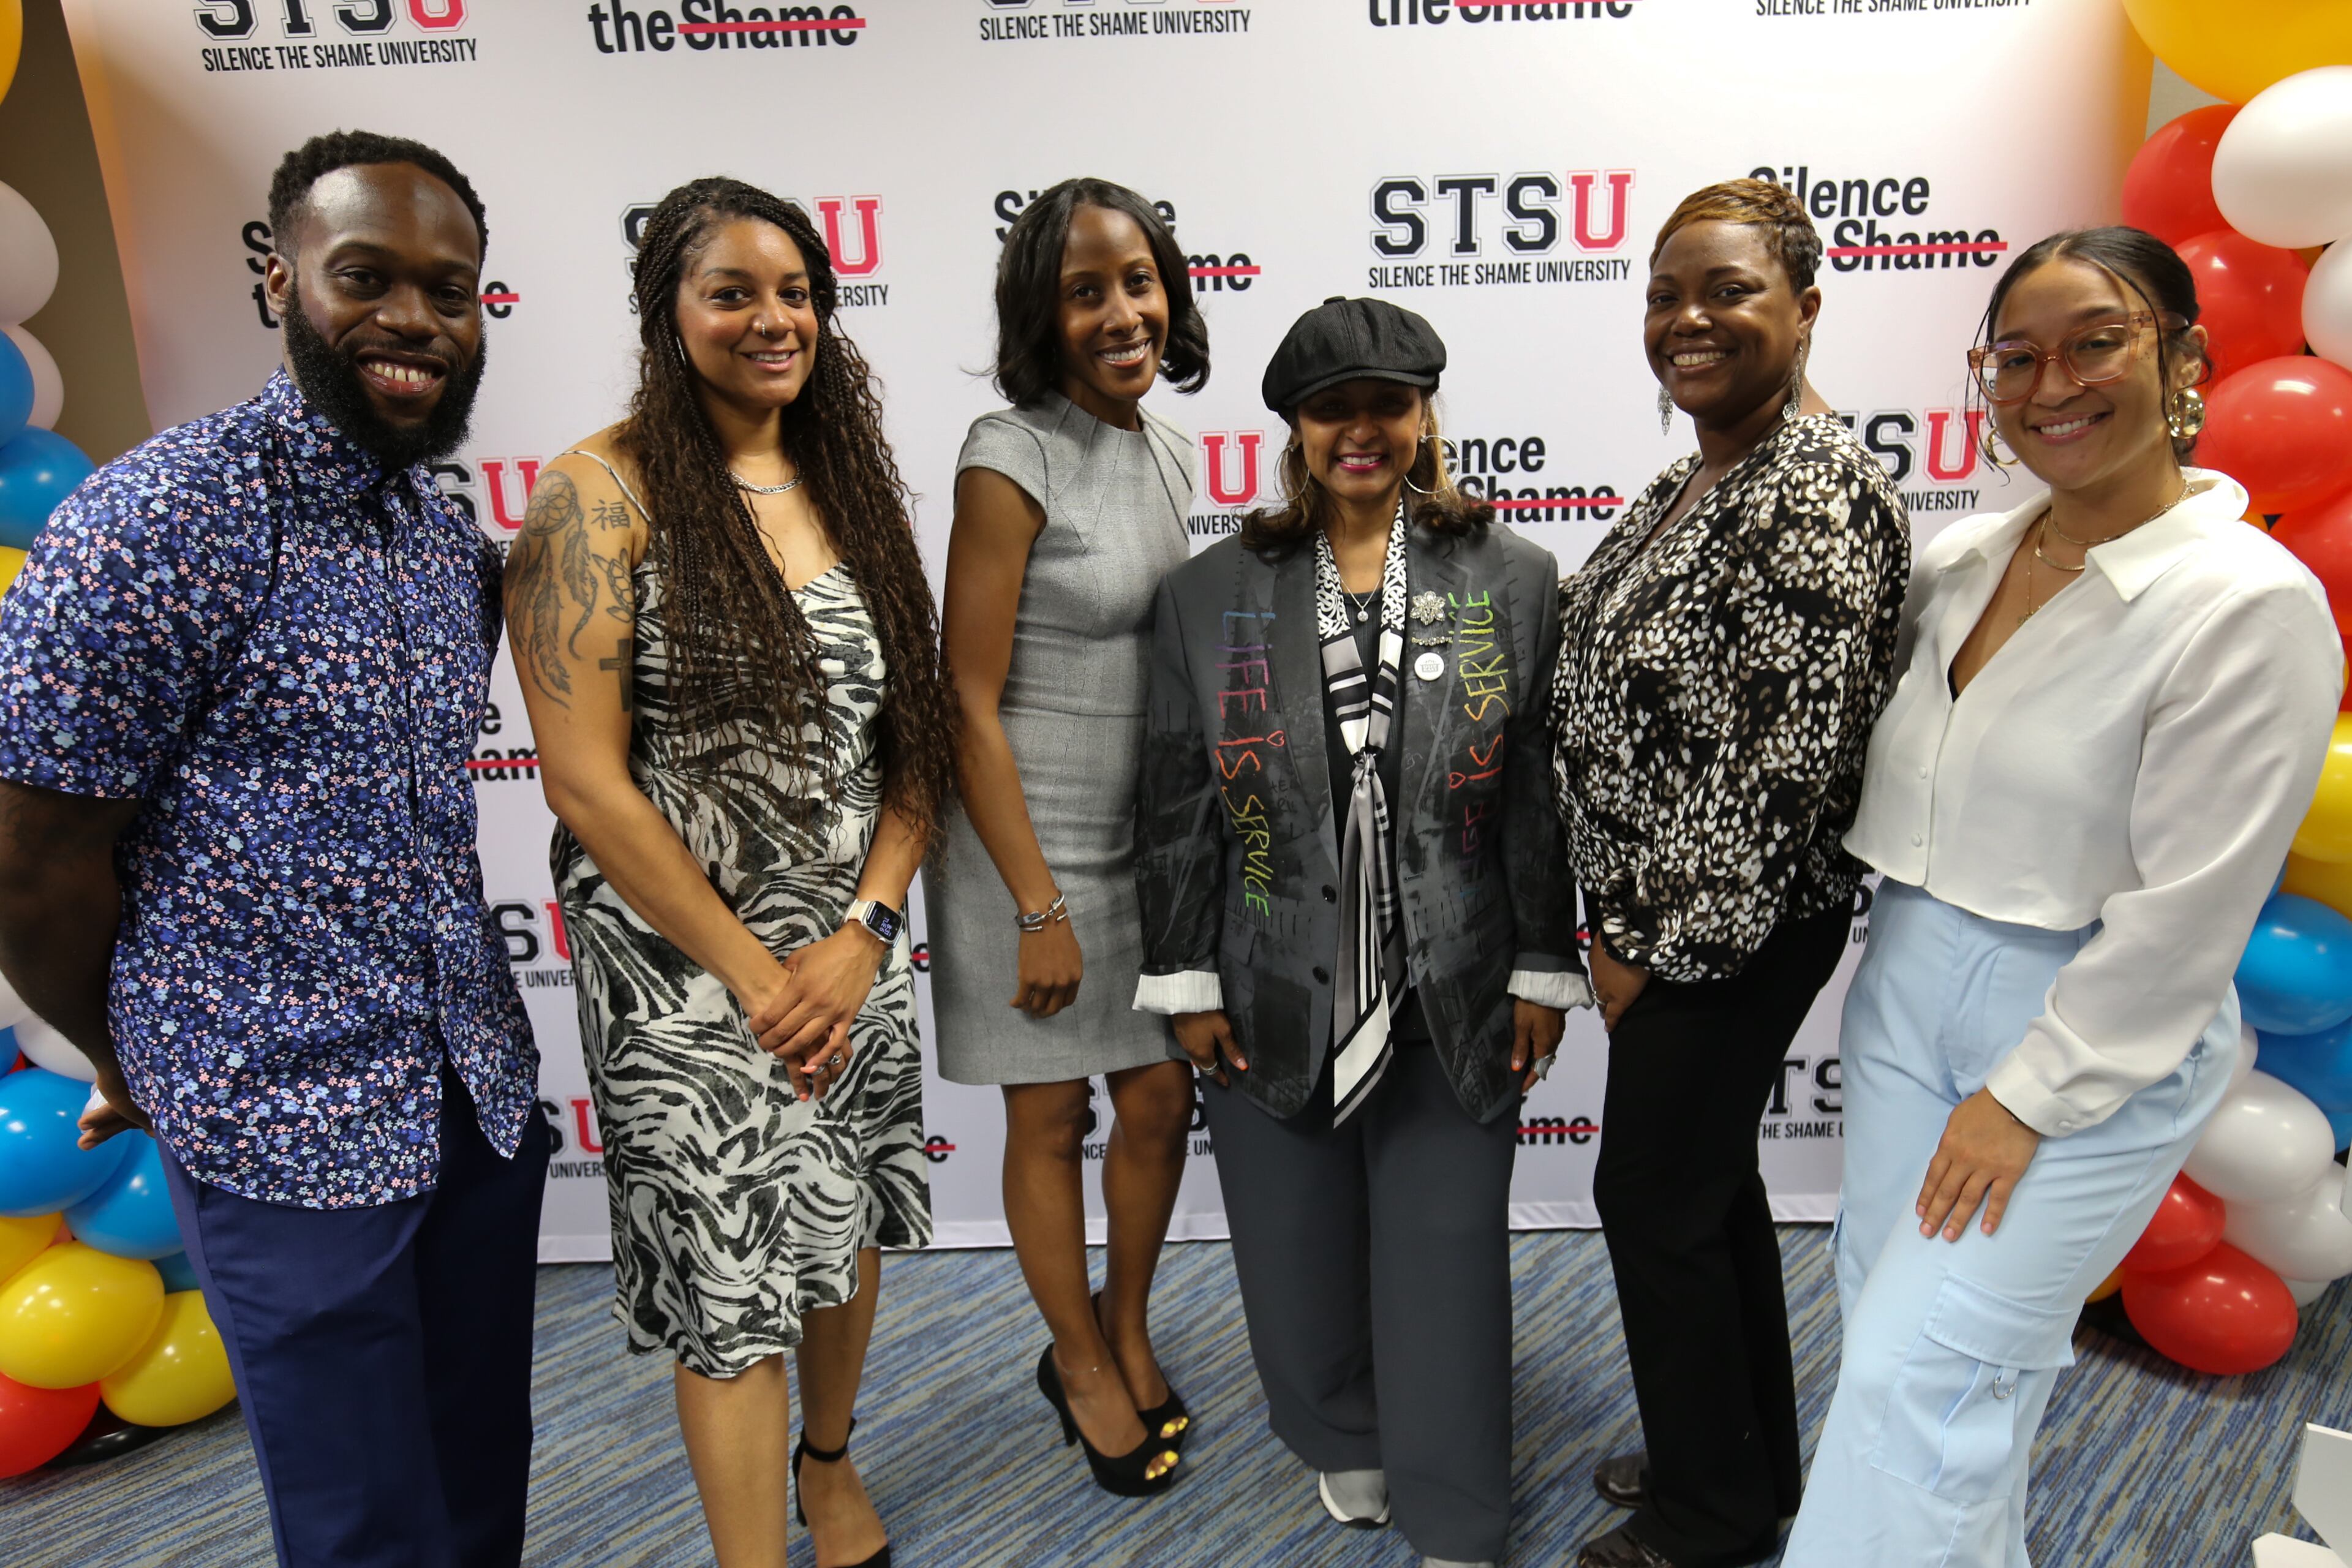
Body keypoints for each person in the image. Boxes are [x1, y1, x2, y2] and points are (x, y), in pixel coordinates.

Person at [0, 132, 542, 1567]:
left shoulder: (443, 535)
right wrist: (132, 1046)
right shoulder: (160, 518)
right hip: (280, 1117)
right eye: (365, 276)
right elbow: (32, 858)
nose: (414, 320)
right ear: (279, 278)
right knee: (365, 1522)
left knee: (480, 1474)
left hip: (469, 1090)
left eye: (451, 287)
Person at [1782, 228, 2340, 1566]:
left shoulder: (2246, 601)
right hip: (1909, 986)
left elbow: (2188, 914)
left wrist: (2027, 1092)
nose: (2053, 383)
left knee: (1922, 1380)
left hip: (2087, 1028)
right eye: (2016, 356)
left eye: (2098, 339)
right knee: (1919, 1360)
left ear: (2186, 358)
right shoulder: (1967, 559)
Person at [507, 177, 954, 1568]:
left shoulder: (845, 478)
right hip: (689, 982)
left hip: (848, 953)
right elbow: (585, 780)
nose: (774, 319)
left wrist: (865, 929)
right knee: (728, 1286)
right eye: (733, 292)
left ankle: (831, 1464)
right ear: (667, 313)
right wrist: (765, 977)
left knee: (845, 1216)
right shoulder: (595, 495)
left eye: (795, 292)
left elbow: (917, 740)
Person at [1136, 295, 1586, 1568]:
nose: (1362, 430)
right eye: (1335, 409)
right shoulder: (1209, 593)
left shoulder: (1512, 575)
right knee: (1294, 1244)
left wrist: (1544, 964)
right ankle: (1344, 1433)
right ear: (1295, 426)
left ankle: (1458, 1508)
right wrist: (1184, 977)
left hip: (1458, 969)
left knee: (1445, 1253)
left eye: (1388, 404)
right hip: (1271, 969)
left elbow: (1537, 795)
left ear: (1424, 415)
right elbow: (1176, 798)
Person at [1550, 179, 1911, 1568]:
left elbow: (1787, 766)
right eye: (1664, 294)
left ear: (1806, 308)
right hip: (1673, 909)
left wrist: (1654, 943)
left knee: (1650, 1197)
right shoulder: (1708, 463)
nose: (1688, 319)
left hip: (1726, 923)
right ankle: (1740, 1457)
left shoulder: (1810, 489)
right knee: (1703, 1191)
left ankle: (1711, 1519)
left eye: (1728, 290)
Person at [932, 176, 1206, 1496]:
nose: (1121, 310)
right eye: (1086, 289)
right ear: (1042, 312)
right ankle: (1077, 1359)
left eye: (1138, 280)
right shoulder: (1008, 452)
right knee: (1049, 1118)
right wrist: (1035, 902)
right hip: (1019, 845)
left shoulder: (1168, 448)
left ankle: (1128, 1323)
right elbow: (964, 702)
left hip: (1138, 838)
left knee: (1160, 1093)